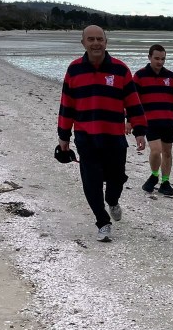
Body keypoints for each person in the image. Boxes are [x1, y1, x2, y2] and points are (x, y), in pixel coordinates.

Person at [57, 25, 147, 242]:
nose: (96, 43)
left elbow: (133, 102)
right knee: (91, 181)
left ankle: (112, 200)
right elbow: (67, 105)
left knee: (117, 178)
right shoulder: (74, 70)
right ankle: (102, 221)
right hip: (86, 136)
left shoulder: (120, 69)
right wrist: (63, 136)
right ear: (83, 43)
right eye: (91, 39)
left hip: (114, 136)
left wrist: (139, 131)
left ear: (106, 42)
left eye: (100, 39)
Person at [131, 44, 173, 196]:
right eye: (157, 58)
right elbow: (132, 100)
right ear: (149, 57)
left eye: (163, 59)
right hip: (150, 121)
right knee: (156, 151)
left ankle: (165, 181)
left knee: (167, 152)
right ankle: (154, 175)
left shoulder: (171, 77)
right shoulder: (139, 76)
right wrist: (129, 120)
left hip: (168, 121)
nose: (160, 62)